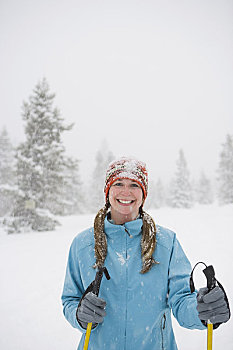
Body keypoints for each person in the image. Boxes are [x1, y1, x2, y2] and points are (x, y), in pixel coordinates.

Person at [61, 157, 230, 350]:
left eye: (134, 184)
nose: (126, 191)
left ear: (143, 194)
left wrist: (201, 310)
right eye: (118, 183)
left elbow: (182, 299)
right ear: (108, 191)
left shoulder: (167, 242)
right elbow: (70, 299)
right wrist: (79, 315)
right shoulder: (83, 244)